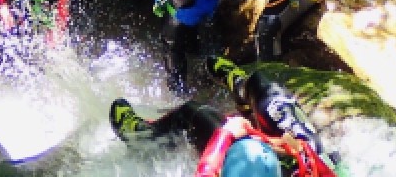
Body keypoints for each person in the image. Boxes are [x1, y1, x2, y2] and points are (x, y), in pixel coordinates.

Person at [109, 57, 339, 177]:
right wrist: (278, 145)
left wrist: (227, 135)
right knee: (265, 87)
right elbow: (308, 155)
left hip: (256, 164)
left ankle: (143, 137)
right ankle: (242, 89)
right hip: (292, 164)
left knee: (193, 114)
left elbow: (207, 170)